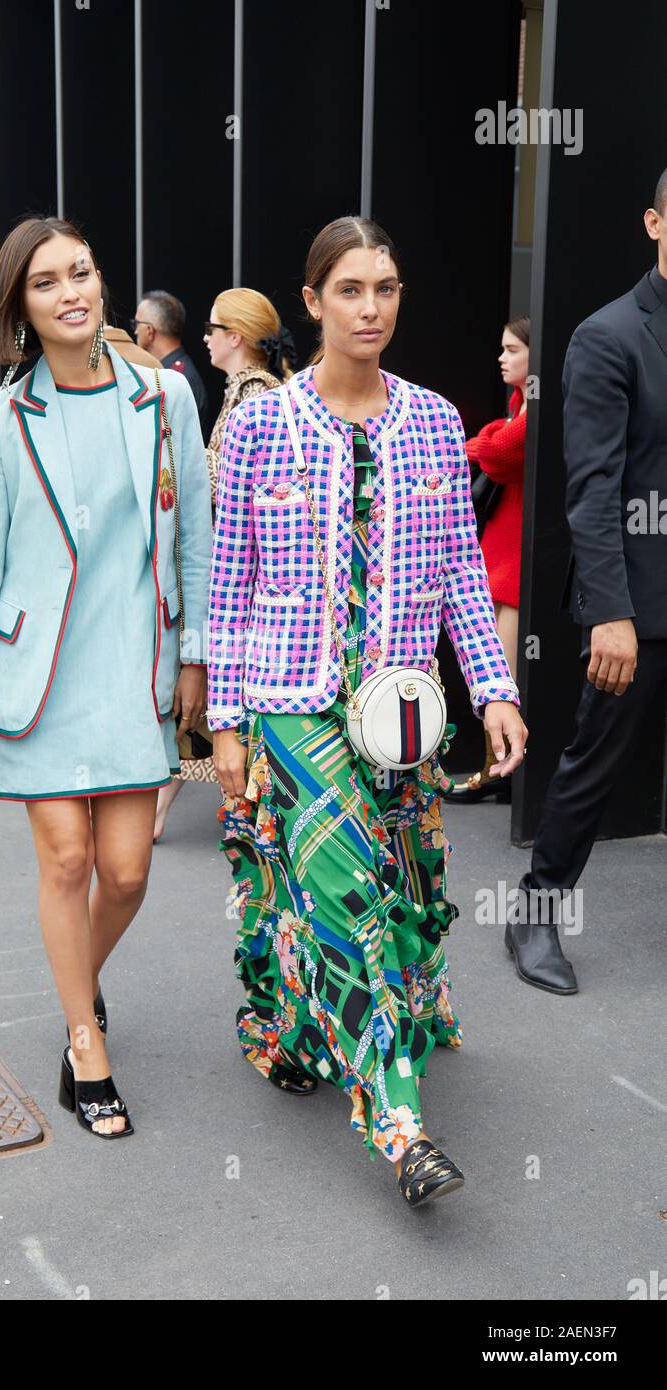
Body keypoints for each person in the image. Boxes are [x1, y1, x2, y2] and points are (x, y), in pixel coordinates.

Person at [208, 216, 527, 1206]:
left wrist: (495, 689)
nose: (370, 307)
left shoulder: (433, 420)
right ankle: (397, 1125)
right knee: (345, 901)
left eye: (385, 288)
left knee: (398, 888)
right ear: (310, 302)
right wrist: (223, 722)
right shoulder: (261, 422)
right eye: (349, 289)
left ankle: (298, 1026)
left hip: (397, 713)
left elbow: (458, 578)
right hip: (291, 707)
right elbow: (227, 582)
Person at [0, 216, 212, 1137]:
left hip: (134, 669)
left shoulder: (164, 399)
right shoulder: (2, 418)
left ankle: (77, 984)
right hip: (39, 678)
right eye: (48, 282)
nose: (73, 292)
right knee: (67, 862)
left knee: (128, 874)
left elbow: (195, 539)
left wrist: (196, 655)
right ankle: (82, 1038)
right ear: (19, 306)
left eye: (83, 272)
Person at [507, 172, 667, 995]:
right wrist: (610, 612)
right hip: (638, 603)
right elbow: (592, 489)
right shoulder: (610, 336)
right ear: (654, 223)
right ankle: (535, 912)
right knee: (594, 761)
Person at [153, 287, 296, 841]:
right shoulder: (252, 389)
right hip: (251, 569)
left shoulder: (256, 394)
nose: (205, 337)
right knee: (213, 692)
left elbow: (225, 479)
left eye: (213, 328)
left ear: (235, 337)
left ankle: (236, 809)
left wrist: (181, 464)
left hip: (248, 573)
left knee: (216, 689)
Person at [452, 315, 530, 803]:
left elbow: (499, 451)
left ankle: (499, 773)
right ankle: (495, 772)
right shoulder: (519, 404)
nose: (502, 358)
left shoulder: (534, 406)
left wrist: (478, 442)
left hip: (517, 556)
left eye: (513, 349)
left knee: (504, 674)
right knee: (498, 668)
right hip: (501, 552)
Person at [132, 290, 212, 440]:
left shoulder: (176, 377)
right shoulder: (174, 372)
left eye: (136, 323)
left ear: (150, 331)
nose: (135, 331)